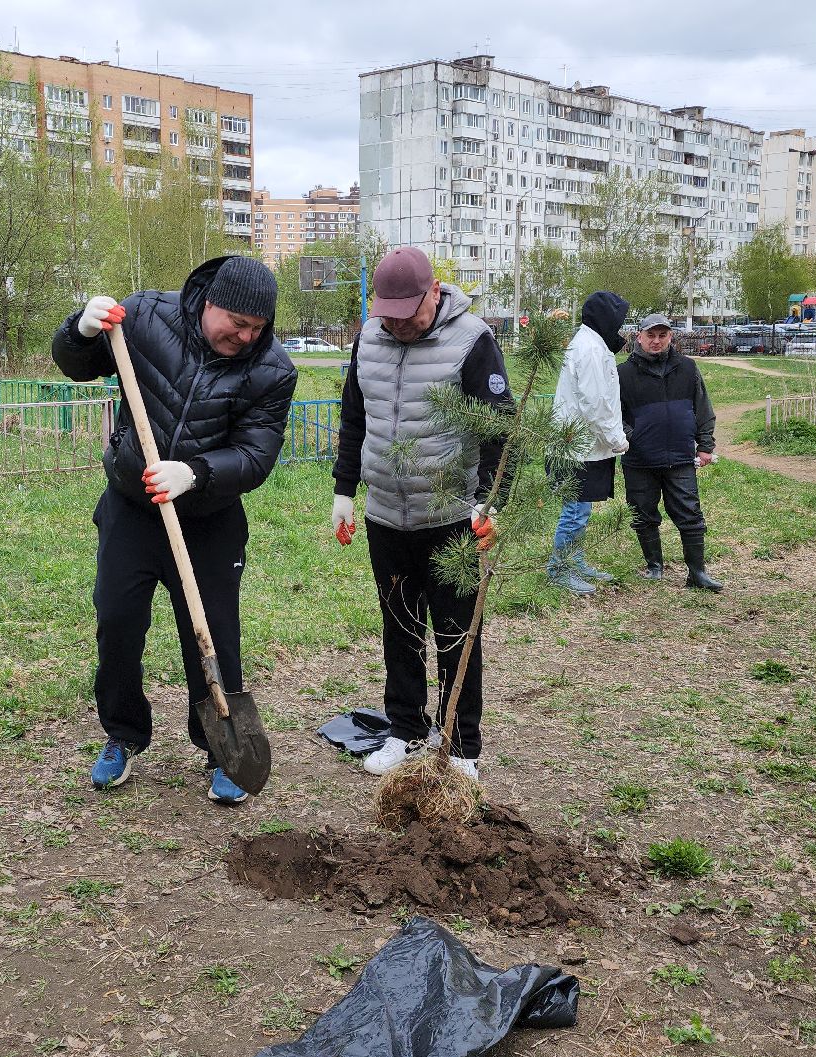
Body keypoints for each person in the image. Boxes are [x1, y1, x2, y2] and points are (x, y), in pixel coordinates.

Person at [52, 256, 296, 805]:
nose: (245, 335)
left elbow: (256, 455)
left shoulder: (272, 369)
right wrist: (80, 329)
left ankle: (220, 748)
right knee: (117, 621)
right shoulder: (144, 317)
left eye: (257, 328)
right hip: (132, 510)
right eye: (237, 322)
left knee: (211, 636)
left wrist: (196, 473)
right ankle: (123, 734)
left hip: (209, 519)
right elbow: (77, 363)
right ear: (209, 301)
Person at [331, 246, 512, 782]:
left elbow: (499, 430)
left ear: (434, 292)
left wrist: (489, 500)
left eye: (409, 314)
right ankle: (406, 731)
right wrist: (345, 490)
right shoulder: (368, 339)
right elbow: (354, 416)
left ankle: (461, 747)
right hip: (386, 516)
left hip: (452, 517)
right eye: (389, 315)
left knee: (456, 634)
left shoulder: (472, 341)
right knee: (399, 628)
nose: (399, 326)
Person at [618, 313, 723, 592]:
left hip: (679, 457)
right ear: (638, 337)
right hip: (639, 459)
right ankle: (654, 566)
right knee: (642, 513)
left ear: (670, 337)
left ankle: (697, 572)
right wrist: (632, 436)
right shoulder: (622, 374)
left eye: (662, 335)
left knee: (690, 513)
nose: (656, 341)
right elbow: (612, 415)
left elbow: (703, 409)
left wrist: (705, 446)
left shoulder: (687, 369)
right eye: (650, 335)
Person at [547, 291, 631, 595]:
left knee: (580, 509)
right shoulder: (590, 350)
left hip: (583, 444)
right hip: (576, 446)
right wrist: (616, 439)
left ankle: (575, 559)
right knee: (574, 510)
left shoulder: (592, 344)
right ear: (606, 319)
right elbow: (595, 404)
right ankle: (559, 568)